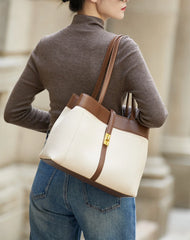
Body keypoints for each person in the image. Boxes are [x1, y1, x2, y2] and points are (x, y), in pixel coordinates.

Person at [4, 0, 168, 239]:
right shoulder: (123, 48)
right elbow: (156, 115)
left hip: (51, 174)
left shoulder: (47, 46)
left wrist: (62, 126)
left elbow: (14, 111)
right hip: (103, 178)